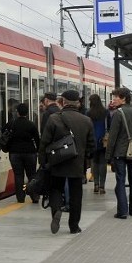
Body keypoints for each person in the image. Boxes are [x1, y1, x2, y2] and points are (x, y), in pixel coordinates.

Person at [39, 89, 95, 234]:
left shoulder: (54, 118)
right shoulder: (86, 120)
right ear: (78, 103)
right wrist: (85, 161)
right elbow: (91, 146)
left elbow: (44, 143)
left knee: (56, 189)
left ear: (63, 102)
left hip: (57, 162)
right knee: (76, 194)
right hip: (77, 164)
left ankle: (57, 211)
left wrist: (43, 162)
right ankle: (74, 226)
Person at [106, 87, 132, 219]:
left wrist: (108, 156)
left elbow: (112, 137)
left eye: (116, 97)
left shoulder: (118, 113)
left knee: (121, 181)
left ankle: (122, 211)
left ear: (123, 98)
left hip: (120, 153)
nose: (114, 99)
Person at [3, 102, 40, 203]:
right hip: (29, 153)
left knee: (18, 175)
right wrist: (38, 151)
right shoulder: (31, 124)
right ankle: (34, 196)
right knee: (32, 175)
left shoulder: (11, 123)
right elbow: (37, 139)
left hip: (14, 153)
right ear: (27, 113)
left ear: (17, 112)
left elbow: (3, 133)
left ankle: (20, 198)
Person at [87, 94, 109, 194]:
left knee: (94, 162)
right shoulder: (105, 112)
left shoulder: (88, 113)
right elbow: (110, 126)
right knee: (103, 163)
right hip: (103, 141)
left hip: (92, 140)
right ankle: (102, 186)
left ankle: (95, 184)